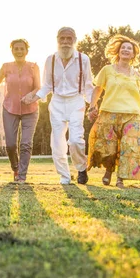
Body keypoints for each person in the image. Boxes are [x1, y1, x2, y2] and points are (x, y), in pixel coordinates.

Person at [87, 34, 140, 188]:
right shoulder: (107, 70)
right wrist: (92, 106)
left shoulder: (136, 74)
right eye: (123, 48)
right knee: (108, 146)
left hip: (131, 115)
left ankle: (121, 178)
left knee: (129, 147)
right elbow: (98, 89)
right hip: (109, 112)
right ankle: (108, 171)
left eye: (129, 48)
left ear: (133, 54)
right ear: (118, 52)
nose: (126, 50)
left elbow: (137, 96)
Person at [23, 27, 94, 185]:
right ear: (57, 40)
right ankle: (65, 176)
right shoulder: (51, 59)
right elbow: (47, 85)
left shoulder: (84, 59)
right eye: (62, 38)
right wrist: (34, 97)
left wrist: (93, 105)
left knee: (76, 140)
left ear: (75, 40)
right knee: (57, 141)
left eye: (69, 39)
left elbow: (88, 86)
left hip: (76, 101)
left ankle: (81, 168)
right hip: (56, 103)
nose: (65, 42)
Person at [0, 39, 40, 183]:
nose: (19, 51)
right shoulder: (6, 67)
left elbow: (38, 87)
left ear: (27, 51)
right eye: (16, 49)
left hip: (30, 109)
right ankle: (16, 168)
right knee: (11, 145)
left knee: (26, 143)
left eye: (22, 49)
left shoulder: (33, 67)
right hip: (9, 108)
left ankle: (22, 176)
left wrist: (30, 95)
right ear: (12, 51)